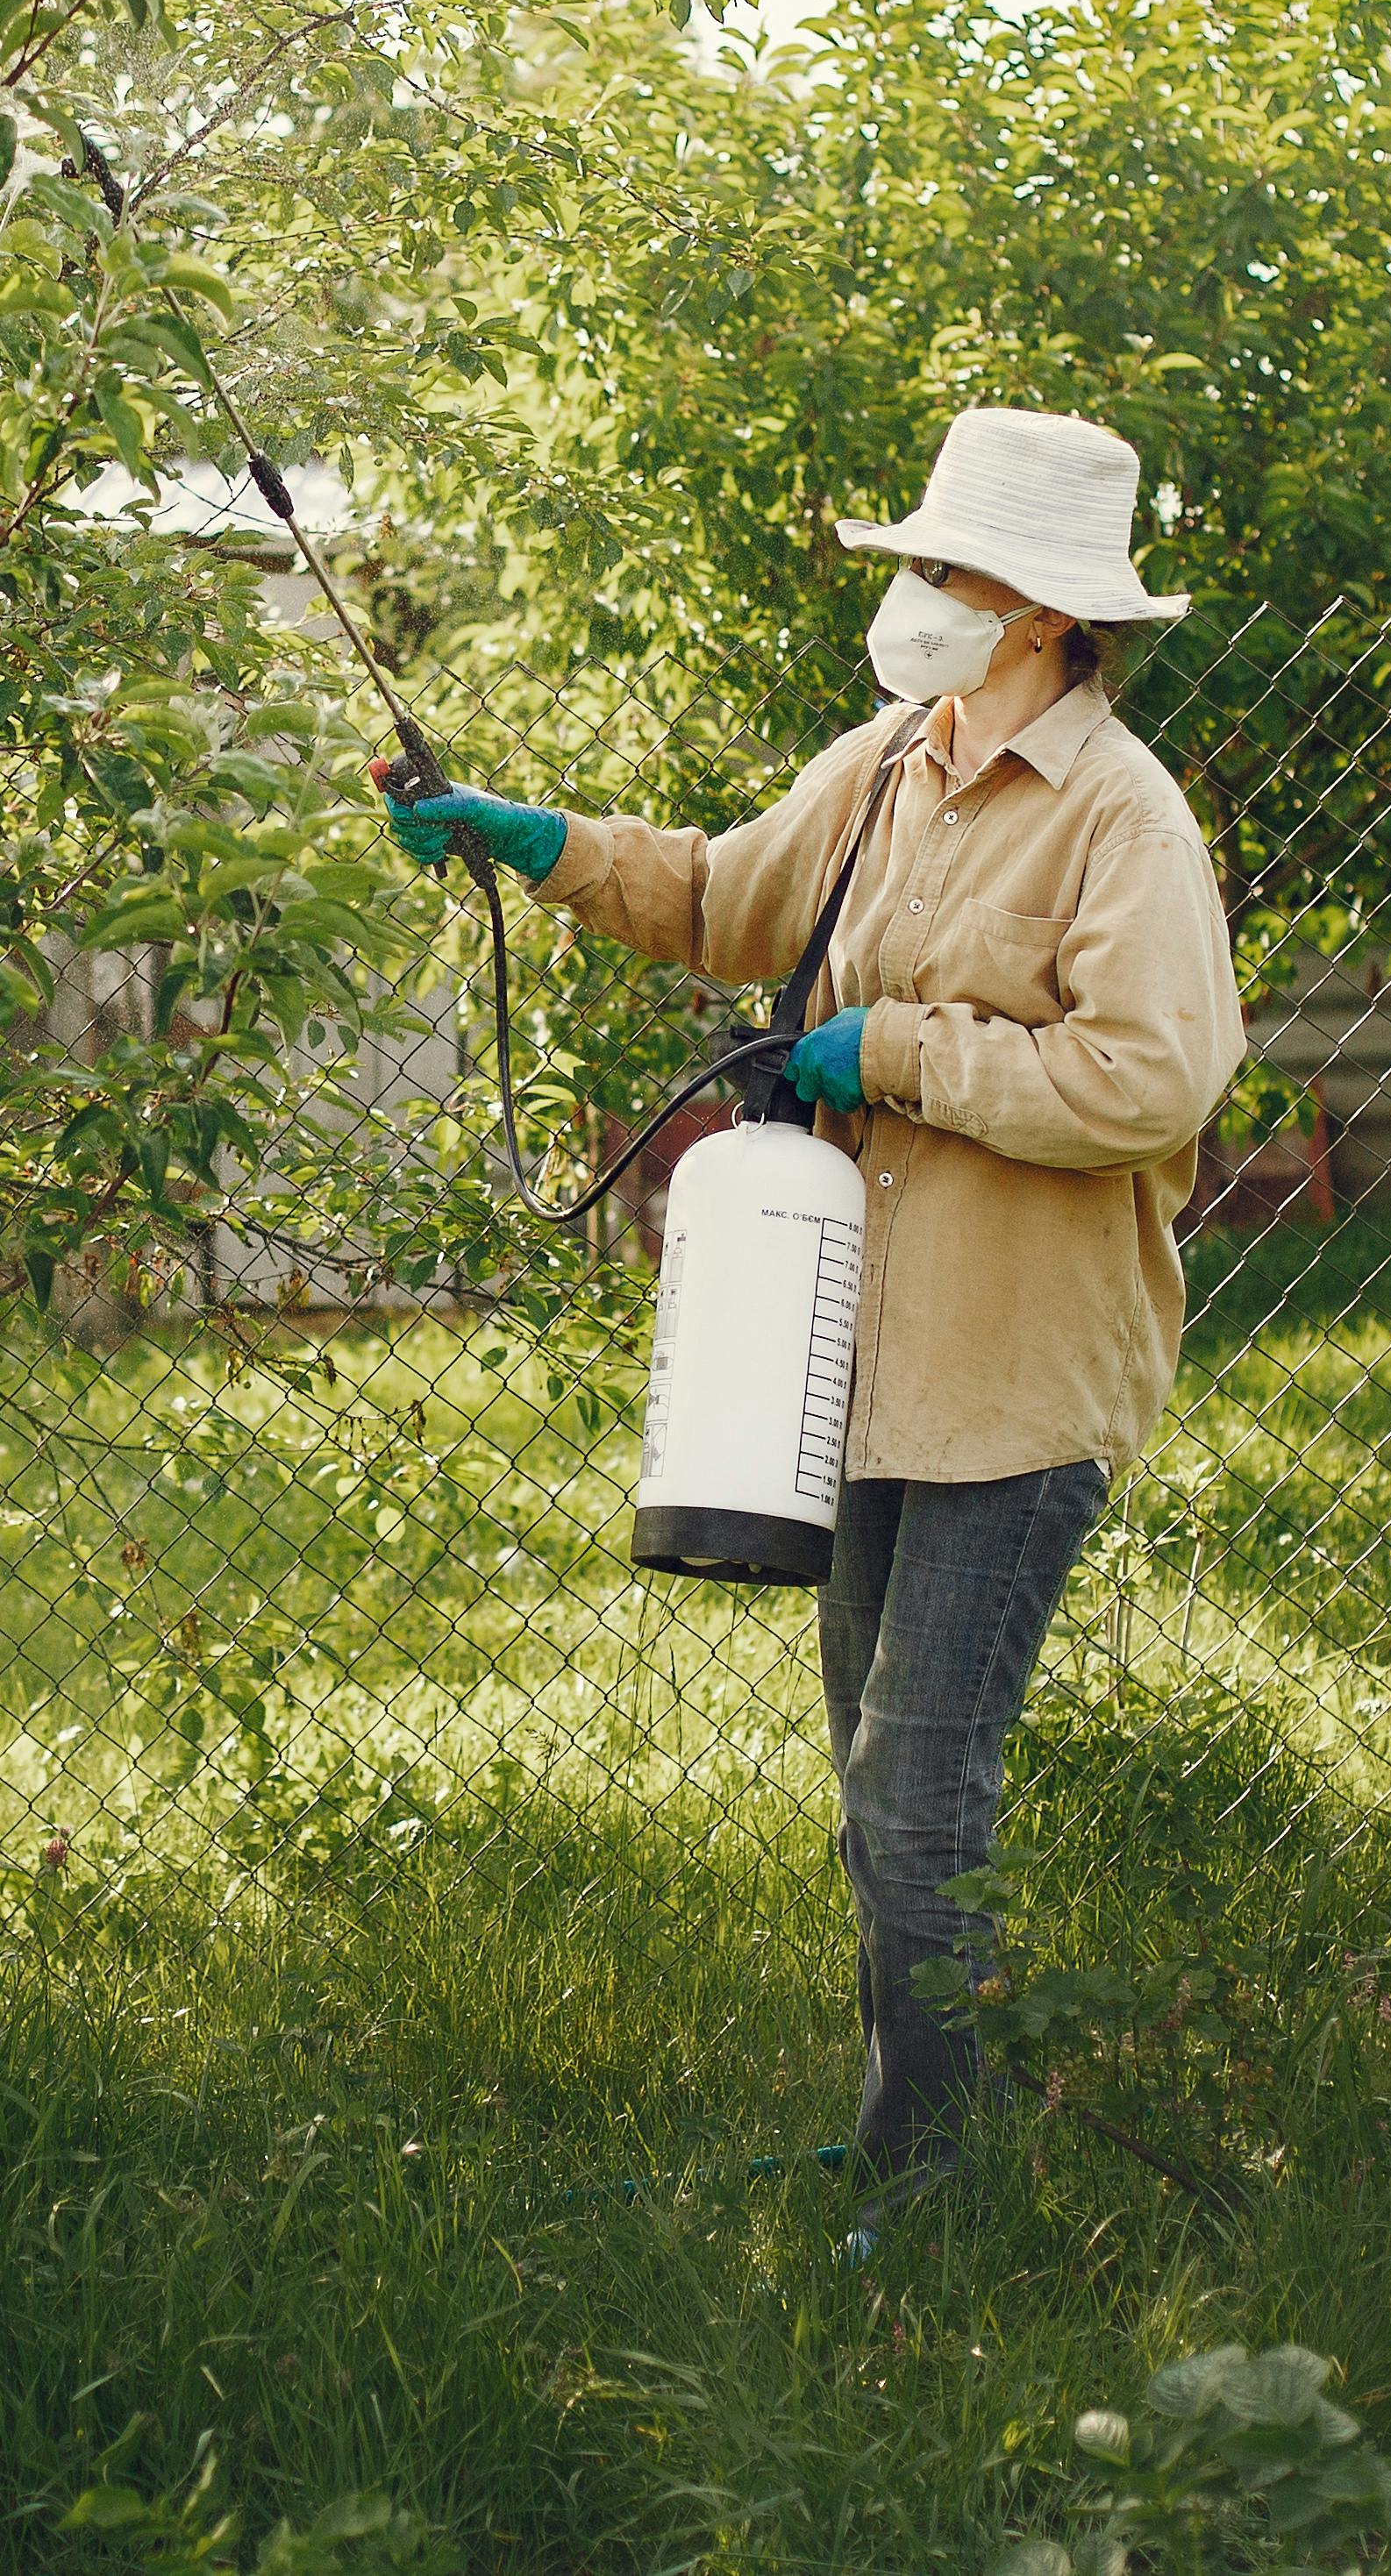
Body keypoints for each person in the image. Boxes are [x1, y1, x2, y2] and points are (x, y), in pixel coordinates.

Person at [381, 409, 1244, 2196]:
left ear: (1037, 615)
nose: (912, 594)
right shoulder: (885, 760)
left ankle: (929, 2191)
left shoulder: (1118, 821)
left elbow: (1153, 1081)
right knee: (879, 1790)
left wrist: (903, 1047)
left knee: (920, 1793)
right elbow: (714, 893)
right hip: (862, 1362)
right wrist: (522, 837)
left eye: (944, 570)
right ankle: (916, 2145)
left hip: (1015, 1381)